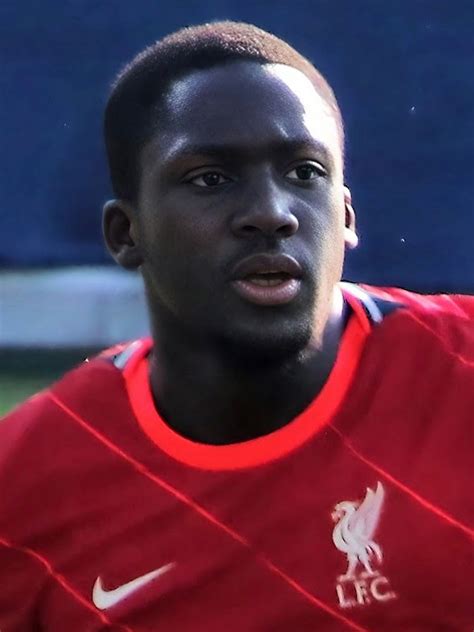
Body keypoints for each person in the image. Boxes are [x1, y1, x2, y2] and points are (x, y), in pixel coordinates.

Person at [0, 21, 472, 632]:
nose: (272, 214)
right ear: (125, 234)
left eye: (305, 172)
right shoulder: (25, 485)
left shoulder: (460, 371)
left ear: (347, 215)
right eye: (211, 179)